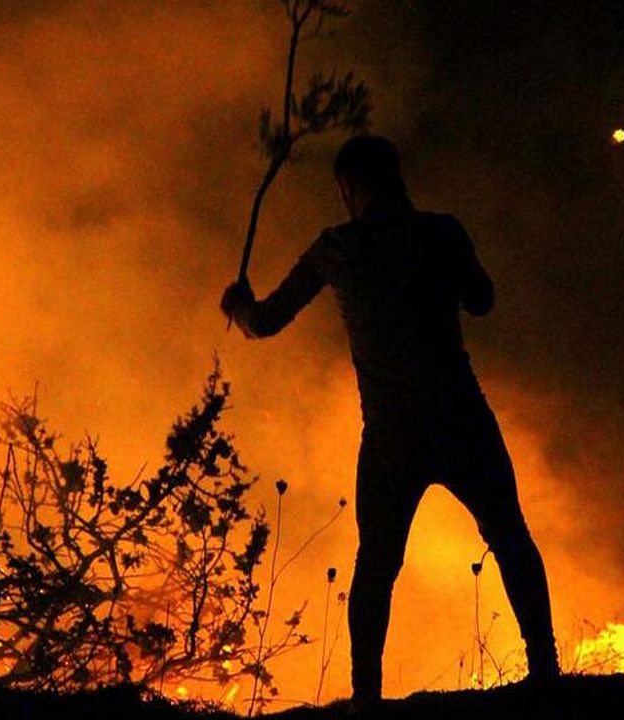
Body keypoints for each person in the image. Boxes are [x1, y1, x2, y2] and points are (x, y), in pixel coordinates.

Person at [220, 135, 559, 706]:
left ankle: (367, 696)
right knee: (509, 537)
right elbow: (483, 300)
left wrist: (238, 307)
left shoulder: (336, 248)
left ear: (349, 188)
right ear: (397, 179)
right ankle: (546, 672)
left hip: (392, 434)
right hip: (460, 417)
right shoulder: (443, 232)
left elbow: (265, 322)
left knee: (376, 564)